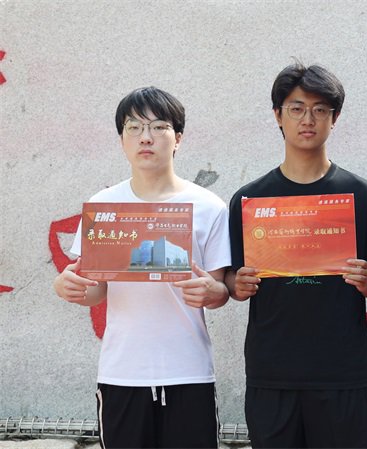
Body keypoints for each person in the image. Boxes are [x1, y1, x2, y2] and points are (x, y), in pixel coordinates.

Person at [52, 86, 231, 448]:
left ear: (178, 137)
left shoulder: (209, 206)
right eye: (133, 128)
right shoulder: (104, 205)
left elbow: (218, 291)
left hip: (188, 371)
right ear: (122, 139)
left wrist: (215, 292)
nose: (145, 137)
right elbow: (95, 289)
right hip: (122, 372)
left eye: (159, 127)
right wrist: (70, 287)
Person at [226, 63, 367, 448]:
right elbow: (230, 278)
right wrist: (238, 285)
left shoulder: (362, 196)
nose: (308, 119)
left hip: (341, 371)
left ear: (335, 117)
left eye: (320, 109)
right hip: (271, 371)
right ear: (277, 115)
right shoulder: (250, 199)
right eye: (296, 108)